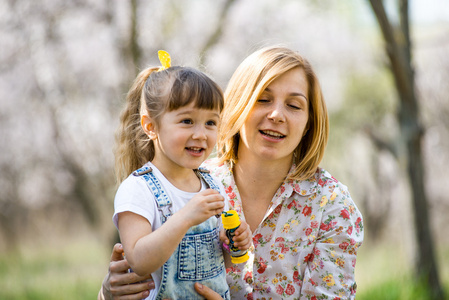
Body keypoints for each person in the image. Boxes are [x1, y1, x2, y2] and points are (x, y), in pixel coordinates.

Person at [99, 45, 364, 300]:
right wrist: (110, 293)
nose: (276, 114)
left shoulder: (331, 205)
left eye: (294, 106)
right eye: (263, 99)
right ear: (236, 106)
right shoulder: (193, 181)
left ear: (309, 122)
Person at [102, 51, 252, 300]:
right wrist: (185, 218)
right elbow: (138, 260)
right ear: (151, 126)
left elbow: (217, 263)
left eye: (210, 123)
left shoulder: (211, 183)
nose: (201, 134)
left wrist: (231, 243)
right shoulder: (138, 189)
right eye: (186, 121)